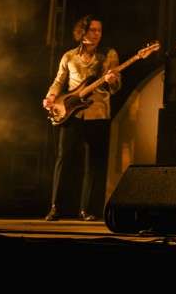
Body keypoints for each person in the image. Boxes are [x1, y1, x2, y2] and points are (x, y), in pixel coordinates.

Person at [42, 14, 120, 221]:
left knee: (93, 163)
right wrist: (51, 97)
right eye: (93, 30)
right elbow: (59, 81)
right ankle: (55, 207)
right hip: (71, 114)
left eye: (99, 30)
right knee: (64, 159)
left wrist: (111, 81)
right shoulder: (69, 56)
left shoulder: (108, 55)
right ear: (82, 32)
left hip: (98, 114)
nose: (97, 34)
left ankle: (86, 210)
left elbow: (116, 87)